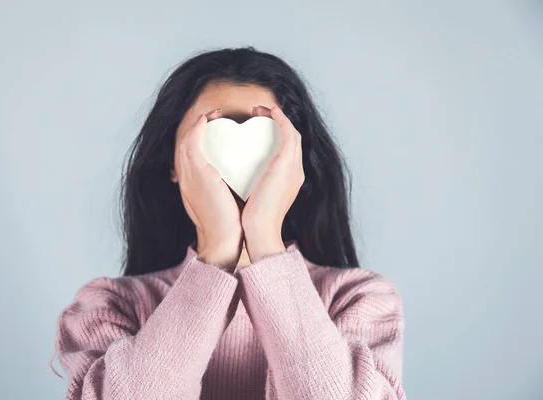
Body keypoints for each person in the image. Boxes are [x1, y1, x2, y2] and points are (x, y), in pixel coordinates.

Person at [50, 46, 406, 400]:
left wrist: (265, 240)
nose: (236, 160)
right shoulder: (110, 306)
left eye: (264, 140)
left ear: (296, 164)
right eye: (211, 136)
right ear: (173, 164)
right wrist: (216, 253)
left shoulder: (359, 299)